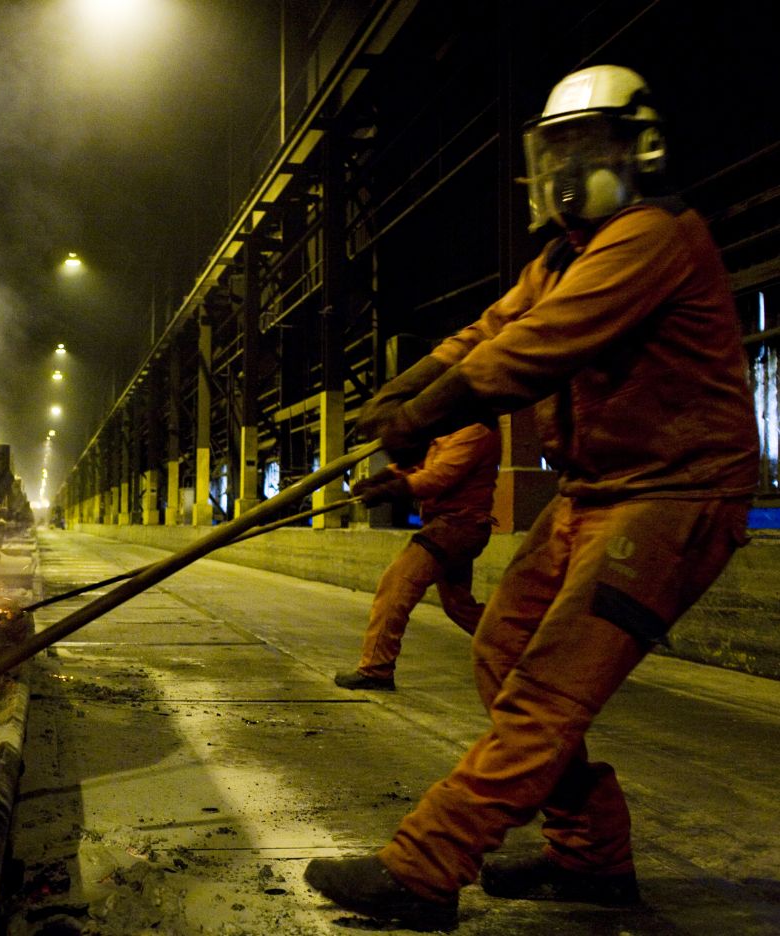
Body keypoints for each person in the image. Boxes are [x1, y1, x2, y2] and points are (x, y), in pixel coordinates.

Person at [304, 64, 758, 932]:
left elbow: (531, 352)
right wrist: (401, 390)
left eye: (587, 148)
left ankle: (425, 869)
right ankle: (590, 857)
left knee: (545, 692)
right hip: (597, 492)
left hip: (676, 496)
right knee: (503, 647)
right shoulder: (561, 258)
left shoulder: (652, 237)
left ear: (643, 150)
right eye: (557, 150)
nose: (565, 168)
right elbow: (489, 330)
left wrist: (425, 416)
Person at [335, 423, 501, 691]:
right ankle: (524, 648)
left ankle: (376, 669)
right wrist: (379, 479)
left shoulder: (475, 431)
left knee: (396, 584)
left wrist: (389, 490)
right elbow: (419, 464)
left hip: (456, 527)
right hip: (449, 525)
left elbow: (438, 476)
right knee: (459, 606)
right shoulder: (450, 431)